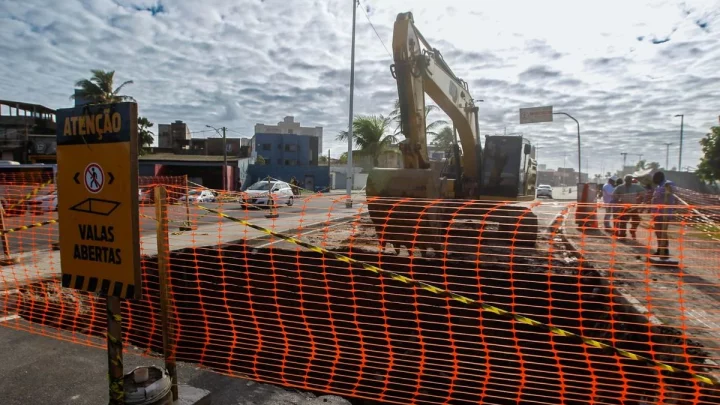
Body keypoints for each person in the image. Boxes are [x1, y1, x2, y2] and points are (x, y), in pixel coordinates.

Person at [651, 171, 677, 258]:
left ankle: (665, 251)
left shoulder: (667, 184)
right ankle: (660, 249)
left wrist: (668, 187)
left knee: (662, 232)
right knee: (658, 232)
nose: (654, 179)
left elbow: (672, 187)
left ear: (660, 177)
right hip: (657, 213)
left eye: (655, 177)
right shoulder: (658, 186)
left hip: (664, 213)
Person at [612, 175, 646, 239]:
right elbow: (614, 195)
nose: (628, 181)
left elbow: (644, 191)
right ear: (625, 180)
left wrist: (640, 197)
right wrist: (618, 199)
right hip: (624, 207)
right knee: (623, 221)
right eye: (627, 180)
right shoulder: (620, 187)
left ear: (631, 180)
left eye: (630, 180)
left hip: (633, 207)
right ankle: (622, 235)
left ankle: (632, 230)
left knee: (637, 220)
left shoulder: (635, 186)